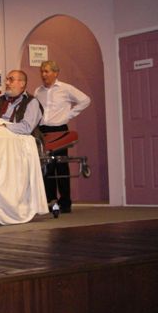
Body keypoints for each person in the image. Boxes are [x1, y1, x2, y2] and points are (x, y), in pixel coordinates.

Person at [34, 60, 91, 213]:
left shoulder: (66, 88)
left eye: (46, 71)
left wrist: (69, 115)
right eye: (42, 71)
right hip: (43, 131)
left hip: (60, 130)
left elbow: (85, 100)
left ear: (55, 73)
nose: (43, 74)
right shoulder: (38, 91)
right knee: (47, 166)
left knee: (61, 165)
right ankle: (51, 201)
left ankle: (65, 202)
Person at [0, 70, 43, 135]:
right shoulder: (1, 99)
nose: (7, 83)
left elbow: (27, 127)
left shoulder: (32, 102)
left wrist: (4, 127)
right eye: (7, 79)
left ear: (22, 84)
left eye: (11, 80)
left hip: (21, 138)